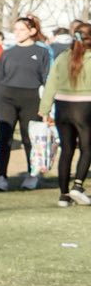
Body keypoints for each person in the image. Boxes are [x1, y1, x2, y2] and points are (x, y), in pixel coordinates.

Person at [0, 16, 50, 192]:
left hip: (31, 99)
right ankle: (1, 177)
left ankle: (32, 174)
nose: (17, 33)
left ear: (32, 31)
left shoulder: (42, 52)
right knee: (4, 138)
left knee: (28, 138)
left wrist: (47, 107)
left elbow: (47, 80)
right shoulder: (7, 53)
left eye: (21, 29)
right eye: (15, 29)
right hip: (7, 98)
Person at [43, 23, 91, 207]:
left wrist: (45, 108)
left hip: (62, 107)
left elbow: (51, 83)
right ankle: (77, 186)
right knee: (87, 148)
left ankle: (63, 196)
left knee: (67, 150)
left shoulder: (62, 57)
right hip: (85, 107)